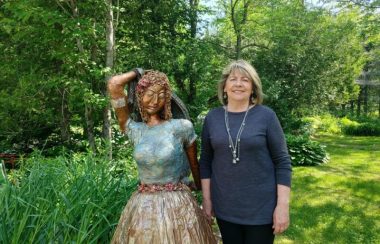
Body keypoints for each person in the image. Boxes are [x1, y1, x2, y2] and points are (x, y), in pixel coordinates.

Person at [107, 69, 216, 244]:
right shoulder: (135, 130)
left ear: (167, 99)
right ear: (140, 95)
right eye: (149, 94)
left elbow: (195, 165)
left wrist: (206, 198)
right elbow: (114, 84)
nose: (155, 101)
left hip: (178, 206)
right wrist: (137, 73)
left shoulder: (181, 127)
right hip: (143, 207)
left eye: (161, 95)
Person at [199, 60, 292, 244]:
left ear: (253, 88)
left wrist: (282, 205)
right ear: (224, 87)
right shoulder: (212, 118)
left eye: (245, 80)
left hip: (261, 209)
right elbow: (206, 162)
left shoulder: (266, 116)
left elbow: (283, 162)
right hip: (225, 208)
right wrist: (207, 200)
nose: (238, 84)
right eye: (233, 79)